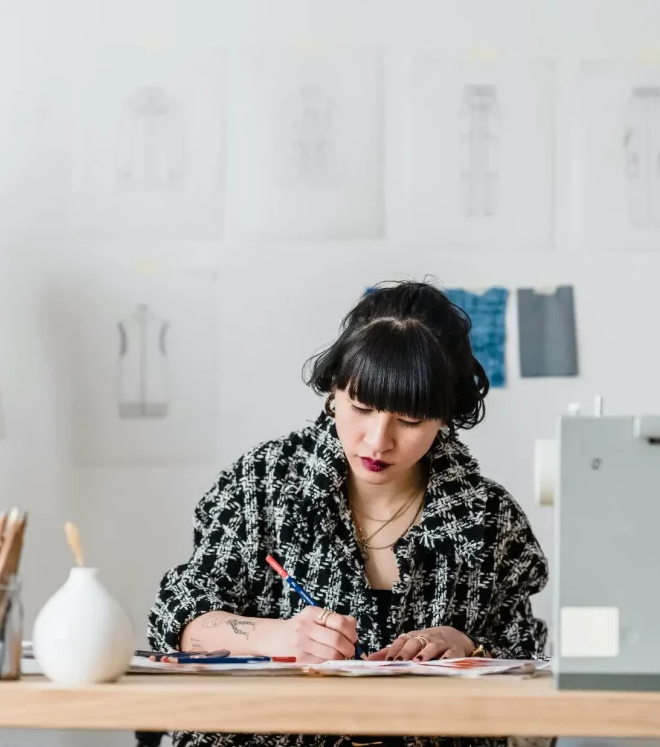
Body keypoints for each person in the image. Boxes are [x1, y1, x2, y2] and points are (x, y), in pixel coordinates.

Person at [146, 280, 551, 747]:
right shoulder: (264, 482)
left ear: (445, 416)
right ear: (333, 391)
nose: (378, 441)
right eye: (361, 408)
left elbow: (531, 663)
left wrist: (468, 648)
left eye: (410, 420)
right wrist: (274, 637)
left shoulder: (488, 516)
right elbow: (178, 623)